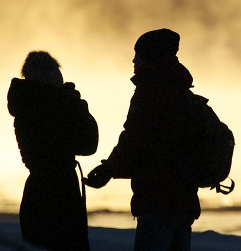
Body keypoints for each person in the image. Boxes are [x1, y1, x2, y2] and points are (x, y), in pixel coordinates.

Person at [84, 29, 199, 251]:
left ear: (152, 58)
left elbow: (134, 139)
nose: (134, 60)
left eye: (139, 55)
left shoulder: (152, 92)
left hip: (157, 200)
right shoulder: (180, 90)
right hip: (183, 200)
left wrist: (108, 170)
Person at [7, 51, 98, 251]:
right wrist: (77, 105)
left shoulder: (26, 105)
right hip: (61, 194)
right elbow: (89, 143)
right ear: (50, 77)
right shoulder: (56, 107)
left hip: (37, 192)